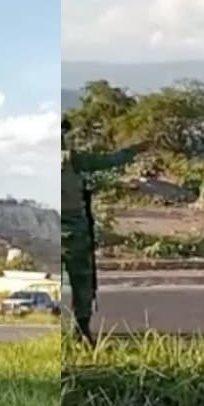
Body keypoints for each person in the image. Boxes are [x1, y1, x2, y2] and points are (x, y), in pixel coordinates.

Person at [61, 116, 142, 345]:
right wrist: (134, 151)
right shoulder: (72, 159)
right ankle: (82, 331)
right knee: (82, 282)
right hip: (74, 232)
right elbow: (109, 161)